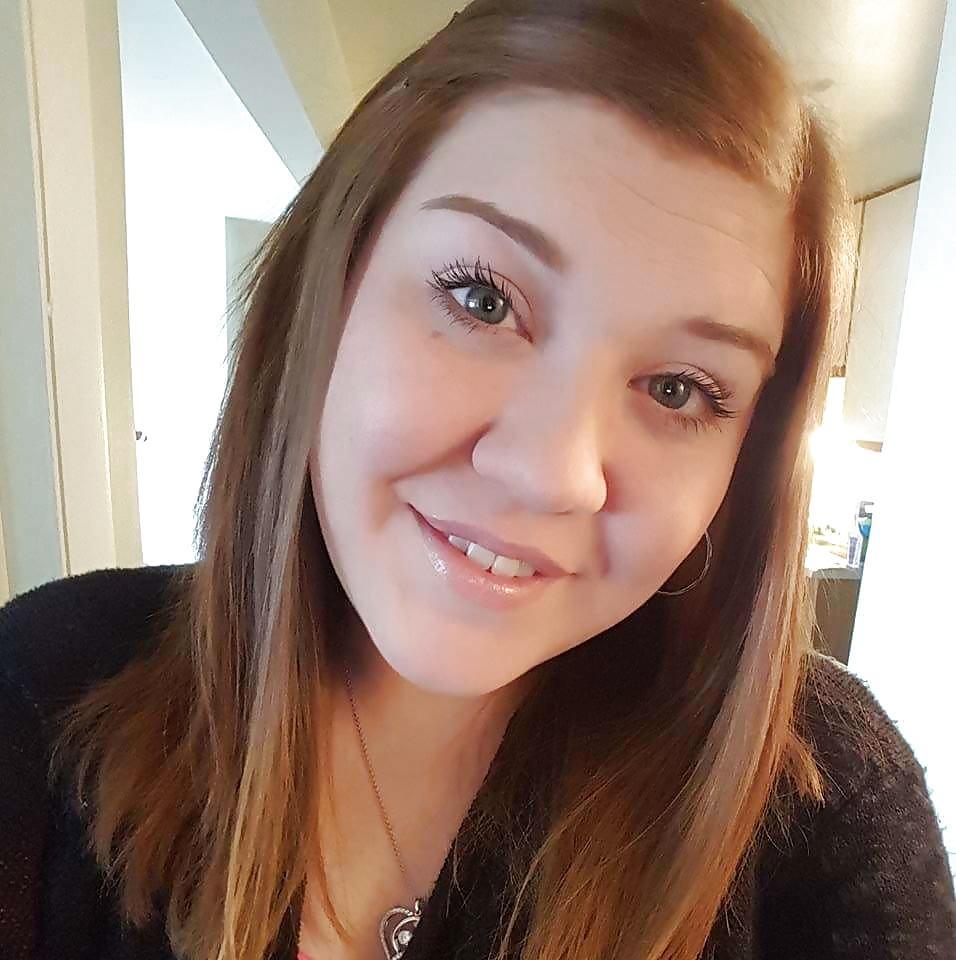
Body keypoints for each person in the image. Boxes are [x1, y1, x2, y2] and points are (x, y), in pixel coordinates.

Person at [1, 1, 954, 958]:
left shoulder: (822, 809)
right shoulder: (42, 692)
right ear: (328, 286)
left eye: (678, 388)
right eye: (482, 299)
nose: (551, 474)